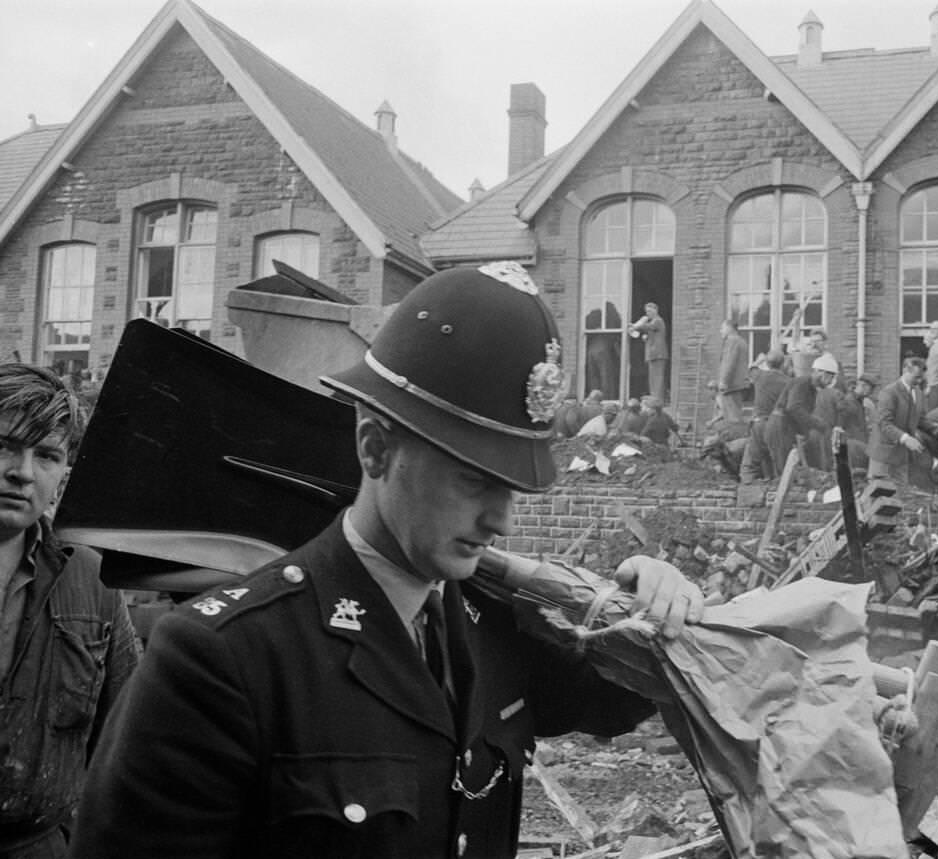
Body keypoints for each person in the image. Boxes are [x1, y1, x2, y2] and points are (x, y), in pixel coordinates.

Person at [71, 264, 704, 859]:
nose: (501, 520)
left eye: (511, 487)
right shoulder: (224, 659)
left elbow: (614, 701)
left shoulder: (497, 624)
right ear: (375, 449)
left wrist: (647, 603)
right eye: (472, 480)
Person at [0, 365, 138, 859]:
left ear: (62, 476)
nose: (22, 471)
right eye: (6, 445)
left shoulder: (92, 580)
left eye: (47, 456)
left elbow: (128, 736)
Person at [867, 357, 938, 487]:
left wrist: (935, 428)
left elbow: (918, 418)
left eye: (922, 377)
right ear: (905, 370)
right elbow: (884, 423)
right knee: (878, 498)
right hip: (884, 457)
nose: (919, 381)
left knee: (900, 497)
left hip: (902, 457)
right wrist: (906, 439)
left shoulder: (918, 393)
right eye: (916, 377)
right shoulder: (889, 392)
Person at [766, 353, 838, 471]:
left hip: (786, 427)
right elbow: (794, 408)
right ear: (822, 373)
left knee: (790, 469)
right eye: (830, 377)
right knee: (785, 470)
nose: (830, 382)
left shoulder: (811, 388)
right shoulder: (802, 383)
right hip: (780, 427)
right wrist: (817, 423)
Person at [739, 350, 792, 483]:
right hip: (778, 426)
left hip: (759, 424)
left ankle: (746, 492)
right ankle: (776, 490)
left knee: (750, 465)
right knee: (779, 464)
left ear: (768, 364)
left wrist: (760, 360)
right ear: (782, 364)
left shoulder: (760, 376)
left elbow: (748, 370)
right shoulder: (788, 382)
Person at [631, 302, 669, 402]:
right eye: (646, 311)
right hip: (653, 354)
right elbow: (651, 332)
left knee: (657, 379)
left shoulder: (657, 320)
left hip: (657, 354)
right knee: (653, 379)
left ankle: (657, 400)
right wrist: (646, 337)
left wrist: (636, 325)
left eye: (649, 311)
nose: (647, 313)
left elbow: (648, 327)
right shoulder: (654, 323)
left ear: (655, 310)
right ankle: (657, 399)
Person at [716, 319, 749, 423]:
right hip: (738, 384)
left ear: (729, 328)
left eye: (722, 328)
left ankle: (734, 437)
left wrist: (724, 381)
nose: (720, 331)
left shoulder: (732, 341)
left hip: (731, 385)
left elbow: (729, 362)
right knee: (735, 415)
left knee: (732, 418)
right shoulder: (741, 341)